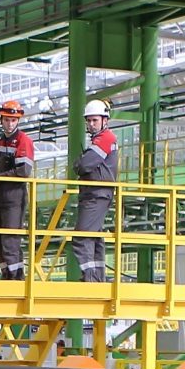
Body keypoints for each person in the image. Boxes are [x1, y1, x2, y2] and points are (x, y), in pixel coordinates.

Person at [70, 97, 117, 283]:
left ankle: (90, 279)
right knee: (95, 237)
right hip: (95, 193)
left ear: (105, 120)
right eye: (88, 120)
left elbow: (84, 165)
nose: (91, 124)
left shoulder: (106, 138)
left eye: (94, 120)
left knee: (82, 237)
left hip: (97, 193)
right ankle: (97, 278)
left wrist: (80, 163)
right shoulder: (99, 140)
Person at [0, 99, 36, 280]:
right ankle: (6, 274)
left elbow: (23, 171)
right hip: (0, 198)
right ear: (1, 120)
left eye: (13, 120)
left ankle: (16, 278)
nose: (10, 124)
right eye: (7, 120)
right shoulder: (1, 141)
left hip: (14, 199)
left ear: (18, 121)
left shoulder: (24, 141)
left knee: (10, 241)